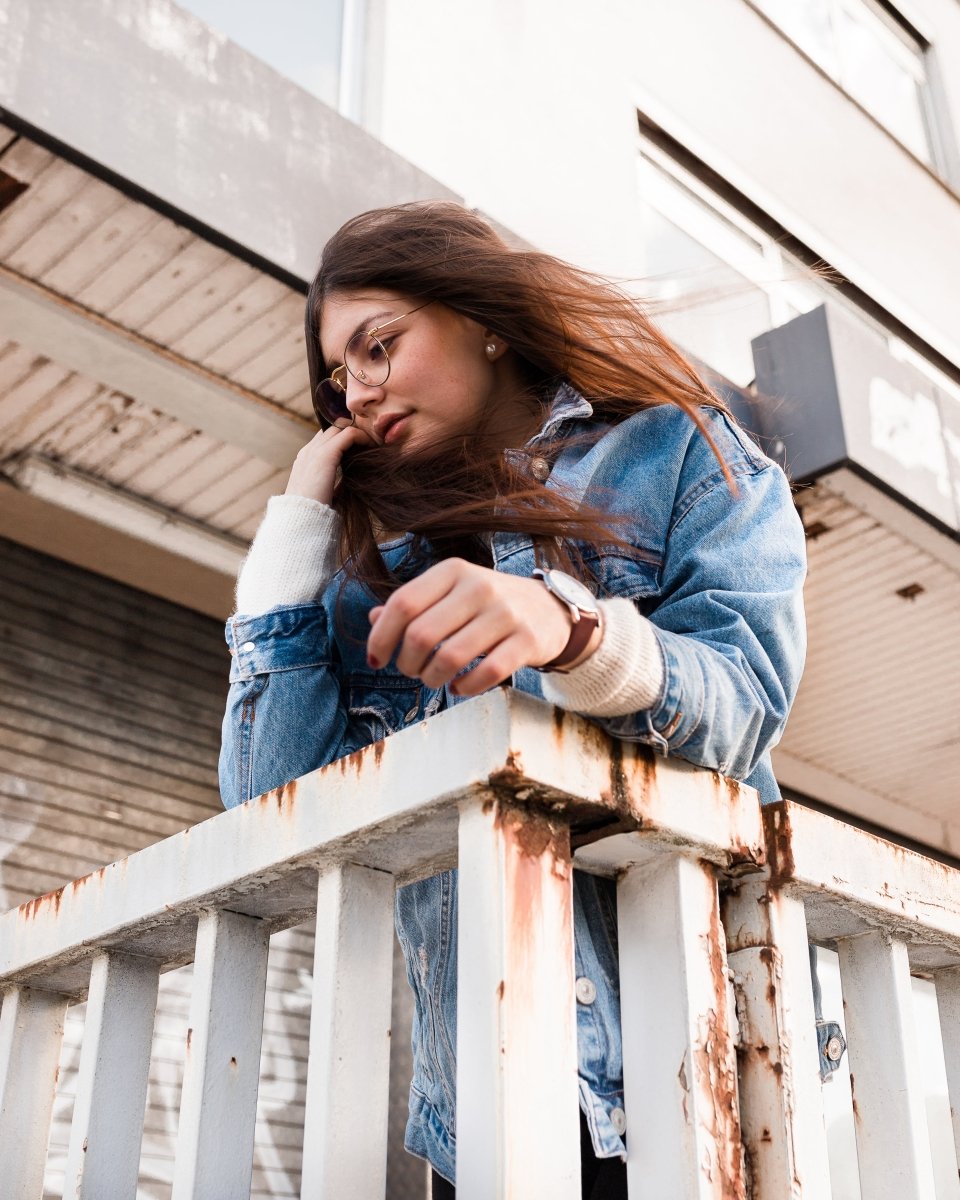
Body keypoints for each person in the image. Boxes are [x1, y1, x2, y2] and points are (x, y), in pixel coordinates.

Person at [219, 201, 808, 1197]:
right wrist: (295, 529)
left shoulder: (678, 453)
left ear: (481, 316)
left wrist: (572, 629)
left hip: (701, 1071)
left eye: (379, 346)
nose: (357, 393)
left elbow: (746, 698)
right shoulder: (370, 573)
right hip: (491, 1115)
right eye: (337, 378)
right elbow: (269, 806)